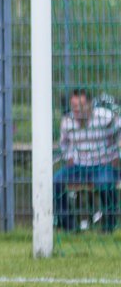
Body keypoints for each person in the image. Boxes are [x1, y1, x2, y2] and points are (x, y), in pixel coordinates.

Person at [54, 89, 119, 231]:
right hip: (78, 166)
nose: (77, 110)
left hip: (103, 165)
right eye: (74, 106)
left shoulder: (106, 117)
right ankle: (69, 226)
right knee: (55, 181)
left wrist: (116, 154)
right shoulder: (67, 122)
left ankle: (109, 226)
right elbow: (64, 144)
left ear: (90, 104)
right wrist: (68, 156)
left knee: (105, 182)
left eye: (81, 105)